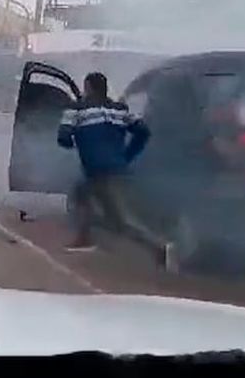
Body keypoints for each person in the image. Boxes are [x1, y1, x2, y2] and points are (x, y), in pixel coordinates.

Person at [57, 72, 174, 268]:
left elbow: (63, 137)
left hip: (98, 169)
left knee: (119, 220)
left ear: (88, 88)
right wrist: (127, 155)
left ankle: (159, 247)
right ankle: (85, 238)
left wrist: (76, 141)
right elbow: (143, 131)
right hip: (116, 168)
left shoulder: (76, 109)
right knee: (83, 194)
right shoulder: (120, 109)